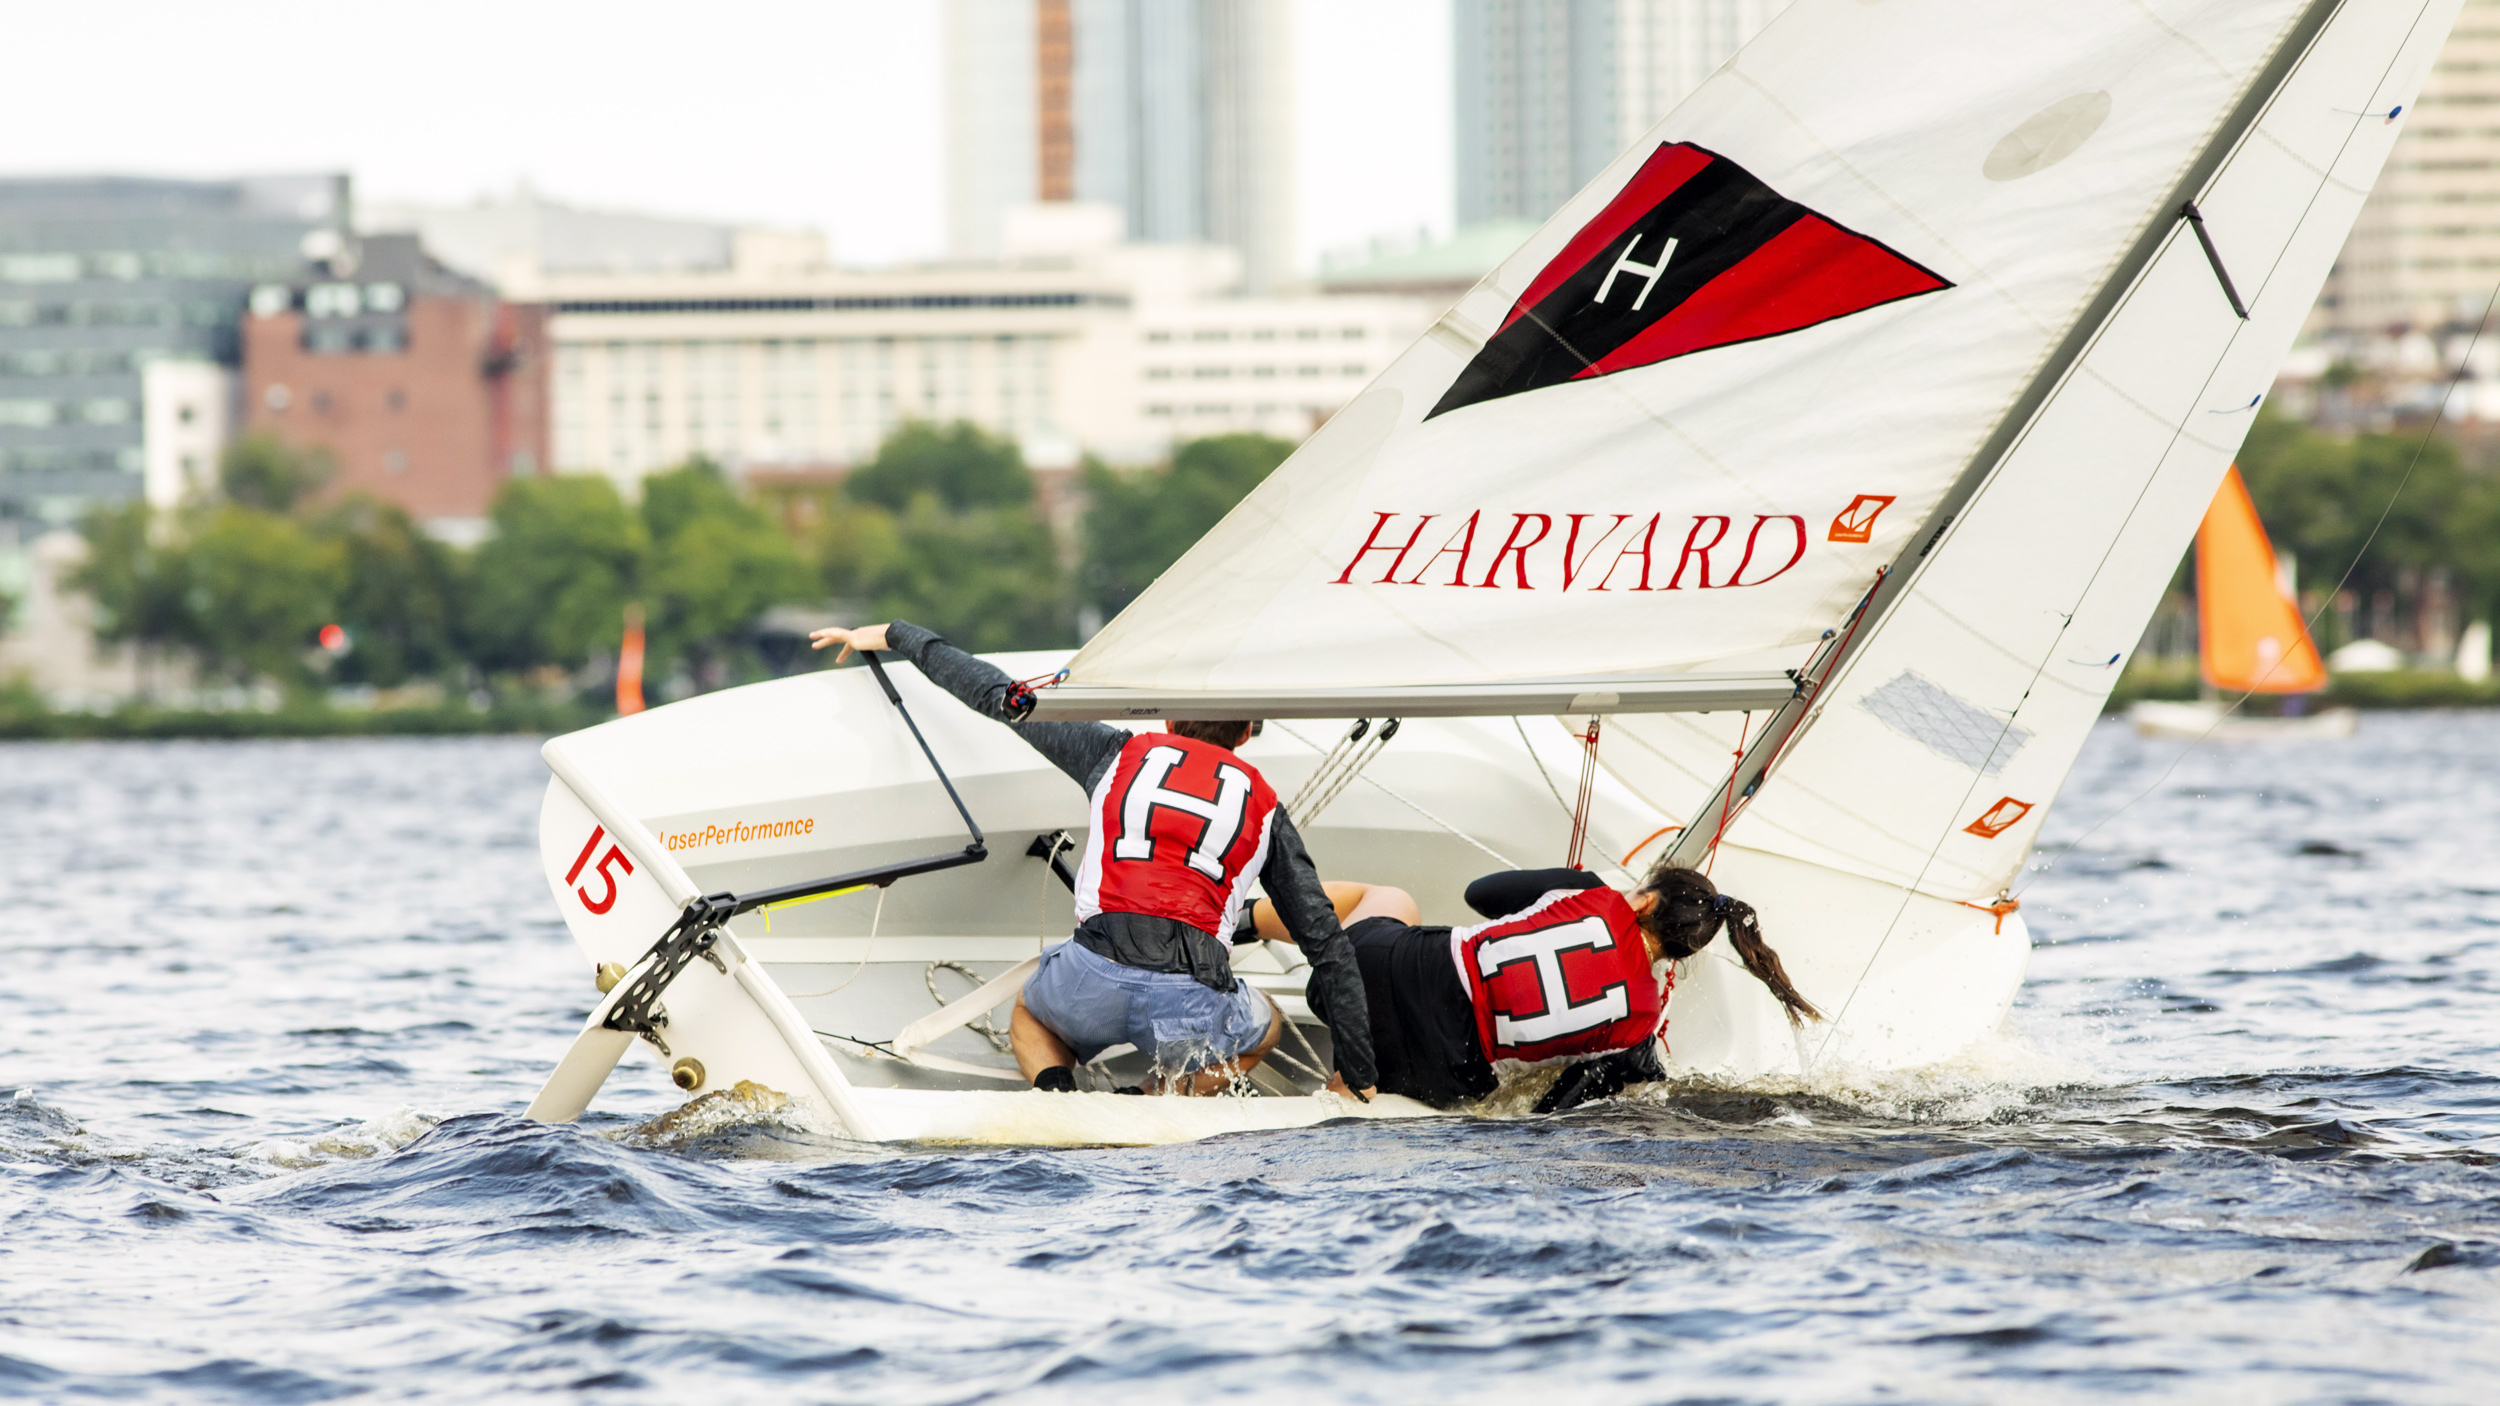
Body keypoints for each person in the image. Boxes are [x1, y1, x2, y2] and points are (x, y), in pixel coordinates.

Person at [810, 620, 1377, 1100]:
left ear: (1170, 722)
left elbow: (994, 693)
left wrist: (893, 634)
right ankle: (1160, 1101)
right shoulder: (1267, 809)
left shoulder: (1111, 751)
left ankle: (1059, 1093)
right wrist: (1358, 1075)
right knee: (1267, 1027)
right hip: (1189, 1008)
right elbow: (1327, 944)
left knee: (1029, 1014)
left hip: (1090, 985)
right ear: (1246, 736)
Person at [1238, 858, 1817, 1113]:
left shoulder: (1592, 893)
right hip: (1440, 1074)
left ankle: (1235, 922)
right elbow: (1560, 1102)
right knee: (1388, 1064)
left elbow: (1481, 892)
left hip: (1375, 974)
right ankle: (1347, 1089)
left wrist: (1582, 885)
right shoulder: (1639, 1025)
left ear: (1643, 900)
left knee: (1389, 900)